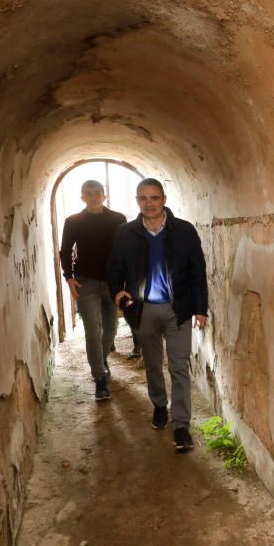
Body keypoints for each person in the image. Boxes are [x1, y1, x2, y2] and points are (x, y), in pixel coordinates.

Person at [107, 178, 208, 452]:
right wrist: (116, 290)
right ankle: (160, 406)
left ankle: (181, 425)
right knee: (153, 364)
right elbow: (114, 267)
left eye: (154, 197)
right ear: (137, 201)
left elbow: (198, 271)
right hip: (143, 310)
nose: (149, 203)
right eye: (143, 198)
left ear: (163, 199)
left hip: (179, 309)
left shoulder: (184, 231)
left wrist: (201, 308)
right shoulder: (126, 233)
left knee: (179, 366)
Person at [59, 180, 127, 401]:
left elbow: (125, 250)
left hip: (113, 283)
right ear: (82, 197)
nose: (94, 196)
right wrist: (69, 277)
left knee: (111, 328)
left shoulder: (118, 219)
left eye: (97, 192)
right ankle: (99, 378)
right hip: (85, 282)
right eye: (89, 193)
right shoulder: (73, 221)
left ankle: (102, 359)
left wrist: (125, 279)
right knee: (92, 330)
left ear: (104, 196)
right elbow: (65, 250)